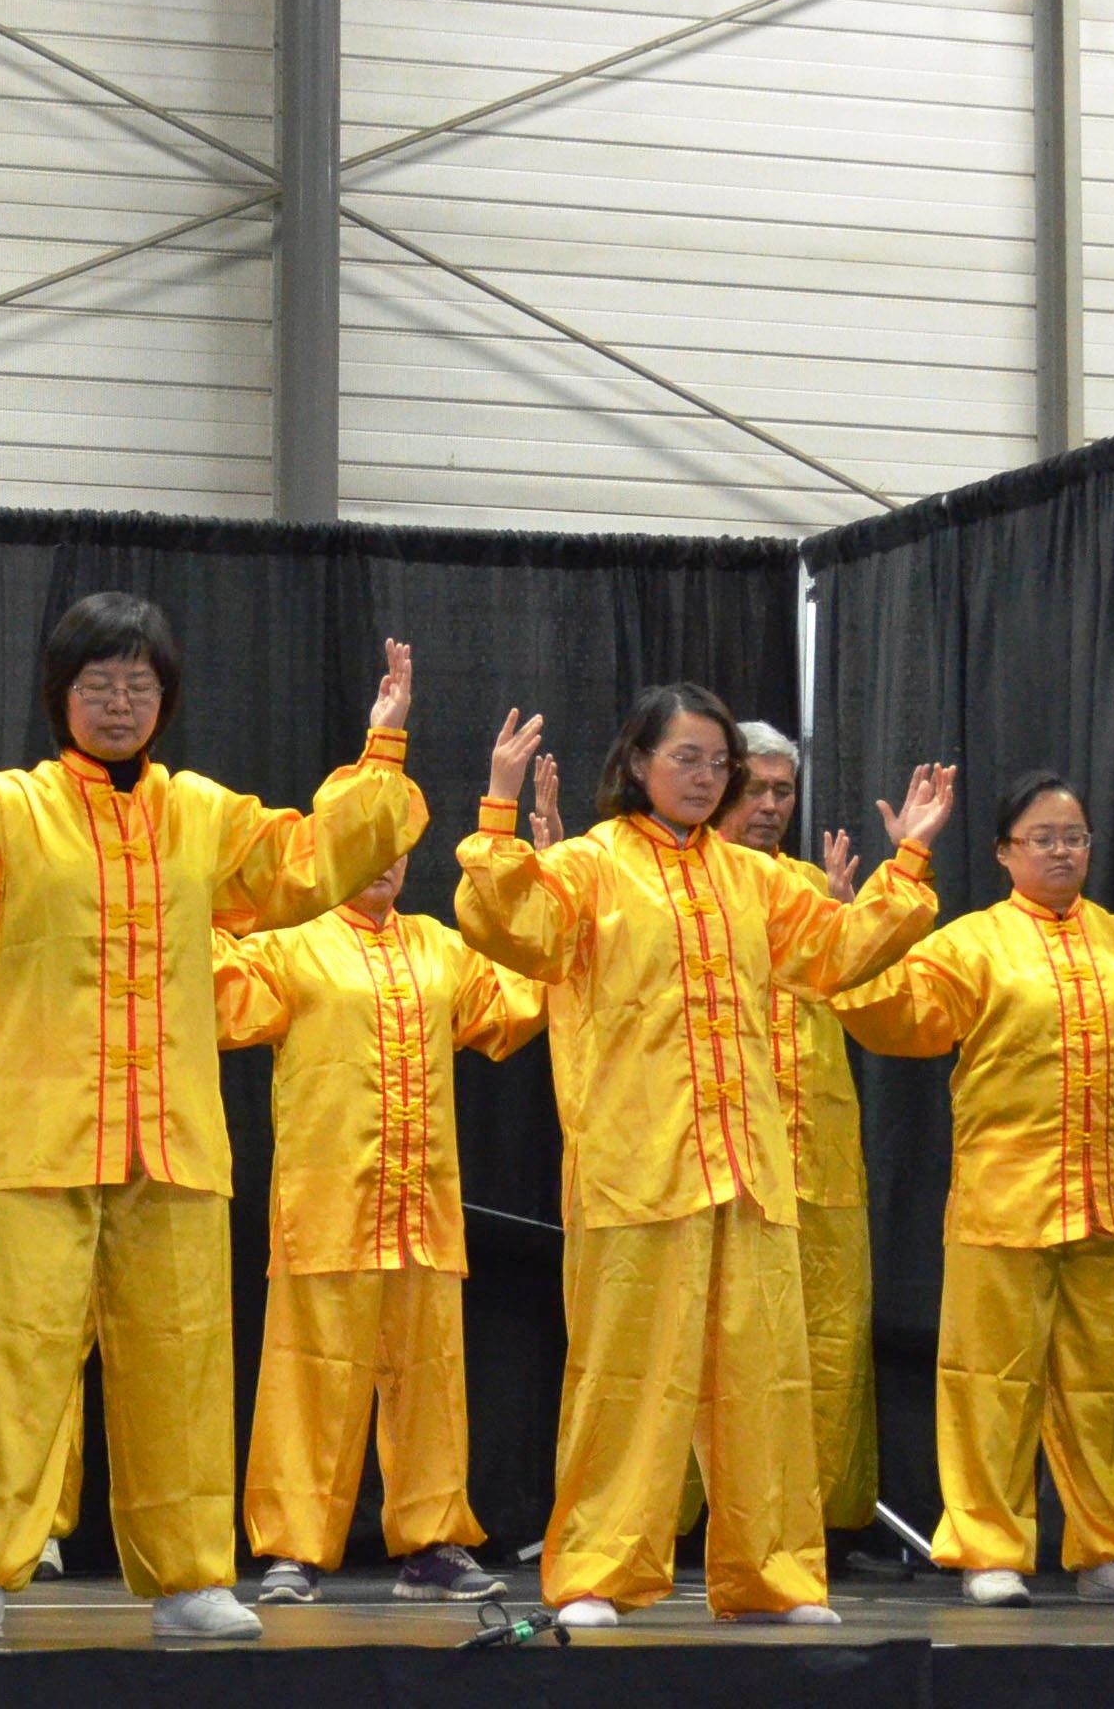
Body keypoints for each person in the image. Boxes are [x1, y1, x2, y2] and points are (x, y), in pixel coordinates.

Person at [0, 596, 425, 1645]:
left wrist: (381, 748)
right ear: (61, 696)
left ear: (165, 700)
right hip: (38, 1130)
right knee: (9, 1357)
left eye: (139, 684)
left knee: (182, 1360)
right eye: (98, 683)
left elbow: (310, 859)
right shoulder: (10, 808)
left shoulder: (204, 814)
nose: (119, 702)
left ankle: (189, 1577)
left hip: (171, 1136)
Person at [457, 689, 953, 1626]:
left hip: (747, 1169)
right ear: (637, 761)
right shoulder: (591, 865)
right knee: (627, 1381)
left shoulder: (755, 879)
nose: (705, 778)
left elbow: (837, 953)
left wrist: (911, 860)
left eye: (718, 764)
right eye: (686, 758)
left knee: (763, 1384)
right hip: (637, 1171)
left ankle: (772, 1576)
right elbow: (508, 927)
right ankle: (600, 1573)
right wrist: (498, 807)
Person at [835, 771, 1114, 1608]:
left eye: (1075, 837)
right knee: (988, 1381)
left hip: (1110, 1198)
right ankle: (989, 1549)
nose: (1062, 851)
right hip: (1004, 1200)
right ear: (1004, 852)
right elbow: (892, 1015)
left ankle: (1109, 1550)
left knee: (1110, 1386)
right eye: (1043, 838)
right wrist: (868, 921)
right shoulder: (971, 944)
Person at [218, 852, 543, 1608]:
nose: (383, 862)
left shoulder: (439, 947)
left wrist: (532, 891)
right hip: (327, 1204)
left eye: (397, 846)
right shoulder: (289, 944)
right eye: (365, 842)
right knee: (309, 1377)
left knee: (431, 1377)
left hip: (422, 1204)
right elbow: (217, 998)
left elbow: (514, 1003)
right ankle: (293, 1547)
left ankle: (432, 1544)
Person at [672, 720, 878, 1558]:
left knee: (821, 1339)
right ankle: (668, 1521)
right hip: (708, 1151)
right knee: (692, 1339)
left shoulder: (809, 887)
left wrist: (853, 926)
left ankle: (807, 1523)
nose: (768, 805)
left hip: (817, 1149)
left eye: (782, 791)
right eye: (753, 788)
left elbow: (866, 997)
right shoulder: (682, 879)